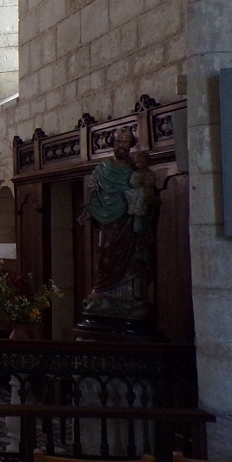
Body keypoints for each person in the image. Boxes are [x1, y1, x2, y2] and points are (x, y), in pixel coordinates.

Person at [77, 129, 155, 324]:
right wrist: (92, 209)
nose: (121, 146)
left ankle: (131, 297)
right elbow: (94, 193)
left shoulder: (136, 168)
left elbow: (149, 193)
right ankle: (102, 291)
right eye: (118, 141)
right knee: (105, 253)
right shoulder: (103, 168)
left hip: (129, 222)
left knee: (132, 258)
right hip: (108, 221)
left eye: (125, 142)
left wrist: (144, 199)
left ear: (131, 144)